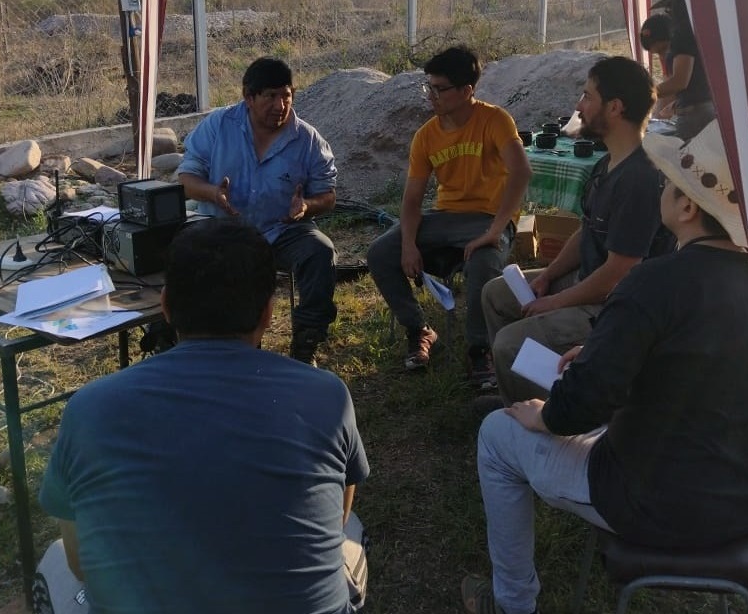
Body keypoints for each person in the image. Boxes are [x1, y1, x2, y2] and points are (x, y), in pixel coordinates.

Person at [461, 119, 748, 614]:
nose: (660, 187)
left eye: (669, 183)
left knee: (495, 434)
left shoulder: (652, 284)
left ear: (686, 207)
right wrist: (599, 354)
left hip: (655, 500)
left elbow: (584, 402)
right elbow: (695, 367)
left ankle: (512, 602)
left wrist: (545, 415)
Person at [37, 218, 370, 614]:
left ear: (165, 307)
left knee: (56, 560)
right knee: (351, 531)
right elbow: (336, 520)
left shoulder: (89, 409)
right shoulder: (328, 397)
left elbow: (80, 564)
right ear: (267, 312)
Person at [481, 56, 674, 405]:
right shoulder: (607, 162)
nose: (578, 106)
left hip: (617, 307)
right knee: (497, 294)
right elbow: (587, 230)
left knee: (511, 342)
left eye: (587, 96)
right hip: (590, 280)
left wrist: (555, 301)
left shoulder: (640, 178)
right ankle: (516, 389)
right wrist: (546, 277)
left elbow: (619, 273)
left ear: (614, 107)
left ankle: (551, 415)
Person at [366, 45, 532, 391]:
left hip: (489, 218)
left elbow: (520, 172)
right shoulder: (427, 135)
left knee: (485, 262)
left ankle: (479, 349)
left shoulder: (495, 120)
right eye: (428, 87)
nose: (431, 96)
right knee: (381, 252)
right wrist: (409, 244)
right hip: (444, 218)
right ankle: (419, 330)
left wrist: (497, 228)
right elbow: (411, 200)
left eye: (439, 89)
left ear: (466, 91)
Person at [178, 57, 338, 366]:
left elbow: (328, 195)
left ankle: (306, 341)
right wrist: (212, 192)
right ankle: (188, 345)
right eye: (271, 96)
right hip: (223, 229)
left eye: (286, 95)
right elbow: (186, 179)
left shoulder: (307, 139)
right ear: (248, 97)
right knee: (180, 254)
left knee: (321, 251)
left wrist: (306, 207)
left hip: (281, 231)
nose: (280, 105)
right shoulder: (218, 125)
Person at [651, 0, 715, 140]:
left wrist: (644, 93)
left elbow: (680, 81)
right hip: (704, 110)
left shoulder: (682, 34)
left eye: (669, 9)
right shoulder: (698, 30)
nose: (667, 13)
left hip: (695, 116)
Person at [639, 13, 676, 118]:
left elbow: (675, 87)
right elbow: (666, 94)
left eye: (664, 50)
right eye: (657, 54)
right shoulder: (668, 59)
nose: (663, 57)